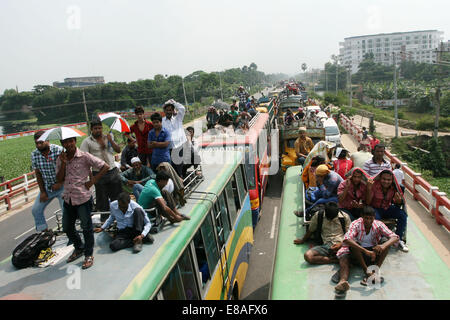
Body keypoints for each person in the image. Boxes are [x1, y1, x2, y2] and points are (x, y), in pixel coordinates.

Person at [56, 136, 110, 270]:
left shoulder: (85, 156)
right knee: (67, 227)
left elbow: (105, 166)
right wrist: (63, 163)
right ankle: (79, 247)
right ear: (62, 144)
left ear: (74, 141)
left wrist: (92, 181)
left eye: (71, 141)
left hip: (82, 198)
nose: (68, 144)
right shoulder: (60, 158)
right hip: (68, 198)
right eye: (65, 142)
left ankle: (88, 254)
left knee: (87, 228)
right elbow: (59, 179)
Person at [334, 206, 399, 293]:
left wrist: (383, 246)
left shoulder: (378, 224)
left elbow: (395, 237)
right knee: (353, 244)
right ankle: (364, 272)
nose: (368, 221)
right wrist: (365, 251)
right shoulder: (356, 224)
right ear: (362, 217)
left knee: (386, 242)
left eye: (371, 218)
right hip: (359, 253)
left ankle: (375, 270)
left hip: (373, 253)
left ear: (374, 217)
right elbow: (347, 239)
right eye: (366, 218)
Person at [80, 117, 123, 221]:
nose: (98, 130)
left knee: (117, 196)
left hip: (112, 170)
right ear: (91, 129)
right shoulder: (87, 142)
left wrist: (111, 140)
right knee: (102, 198)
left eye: (99, 128)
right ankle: (105, 220)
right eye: (95, 128)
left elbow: (118, 149)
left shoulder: (108, 137)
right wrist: (91, 178)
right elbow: (84, 159)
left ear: (102, 128)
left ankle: (119, 218)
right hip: (98, 173)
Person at [366, 169, 409, 252]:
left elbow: (397, 203)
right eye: (384, 179)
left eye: (389, 180)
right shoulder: (374, 186)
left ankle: (398, 238)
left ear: (392, 180)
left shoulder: (394, 187)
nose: (386, 181)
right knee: (376, 220)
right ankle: (381, 240)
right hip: (376, 208)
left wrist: (398, 201)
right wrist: (368, 189)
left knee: (402, 215)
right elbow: (368, 202)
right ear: (380, 178)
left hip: (387, 208)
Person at [31, 130, 64, 232]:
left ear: (47, 141)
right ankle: (44, 233)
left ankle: (71, 232)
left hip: (62, 186)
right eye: (37, 143)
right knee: (36, 209)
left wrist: (60, 183)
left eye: (41, 142)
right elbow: (38, 173)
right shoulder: (35, 155)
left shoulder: (58, 150)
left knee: (66, 211)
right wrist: (42, 191)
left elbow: (67, 169)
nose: (39, 145)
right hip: (48, 187)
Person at [162, 99, 187, 178]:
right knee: (172, 168)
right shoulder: (162, 121)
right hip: (168, 148)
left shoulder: (178, 118)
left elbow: (182, 109)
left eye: (170, 110)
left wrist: (174, 103)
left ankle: (182, 184)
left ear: (173, 110)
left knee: (180, 167)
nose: (169, 112)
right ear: (164, 111)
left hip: (179, 147)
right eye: (167, 110)